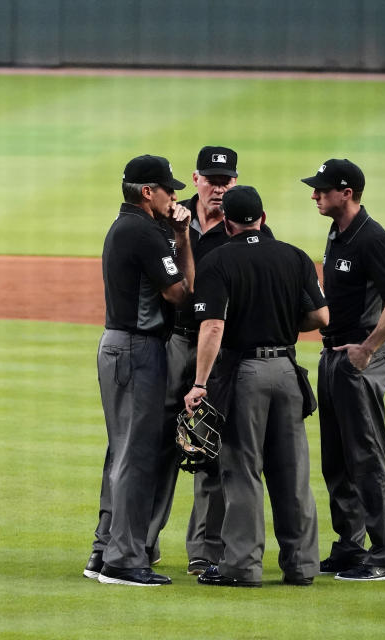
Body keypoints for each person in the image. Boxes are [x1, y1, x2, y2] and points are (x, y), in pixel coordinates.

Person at [183, 185, 327, 587]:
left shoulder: (218, 260)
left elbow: (213, 325)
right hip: (287, 371)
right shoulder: (294, 256)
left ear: (227, 222)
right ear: (262, 218)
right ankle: (302, 566)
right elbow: (320, 316)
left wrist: (198, 383)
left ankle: (242, 566)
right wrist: (280, 324)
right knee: (292, 470)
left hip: (245, 373)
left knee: (242, 469)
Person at [301, 159, 385, 582]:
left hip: (358, 360)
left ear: (346, 193)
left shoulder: (372, 239)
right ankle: (350, 546)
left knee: (366, 457)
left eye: (322, 189)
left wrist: (368, 349)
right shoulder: (337, 232)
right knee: (337, 458)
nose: (315, 194)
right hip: (333, 357)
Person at [83, 155, 194, 587]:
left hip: (119, 346)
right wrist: (183, 238)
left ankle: (105, 549)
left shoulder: (126, 225)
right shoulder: (145, 231)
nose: (175, 196)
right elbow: (180, 294)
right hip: (138, 349)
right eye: (169, 189)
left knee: (122, 451)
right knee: (136, 455)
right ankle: (125, 560)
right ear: (148, 192)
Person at [147, 146, 240, 576]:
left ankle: (205, 550)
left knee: (209, 446)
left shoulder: (246, 223)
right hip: (175, 341)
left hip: (218, 349)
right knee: (160, 445)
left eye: (226, 180)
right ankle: (142, 542)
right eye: (211, 179)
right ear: (196, 178)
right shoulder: (167, 216)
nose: (219, 187)